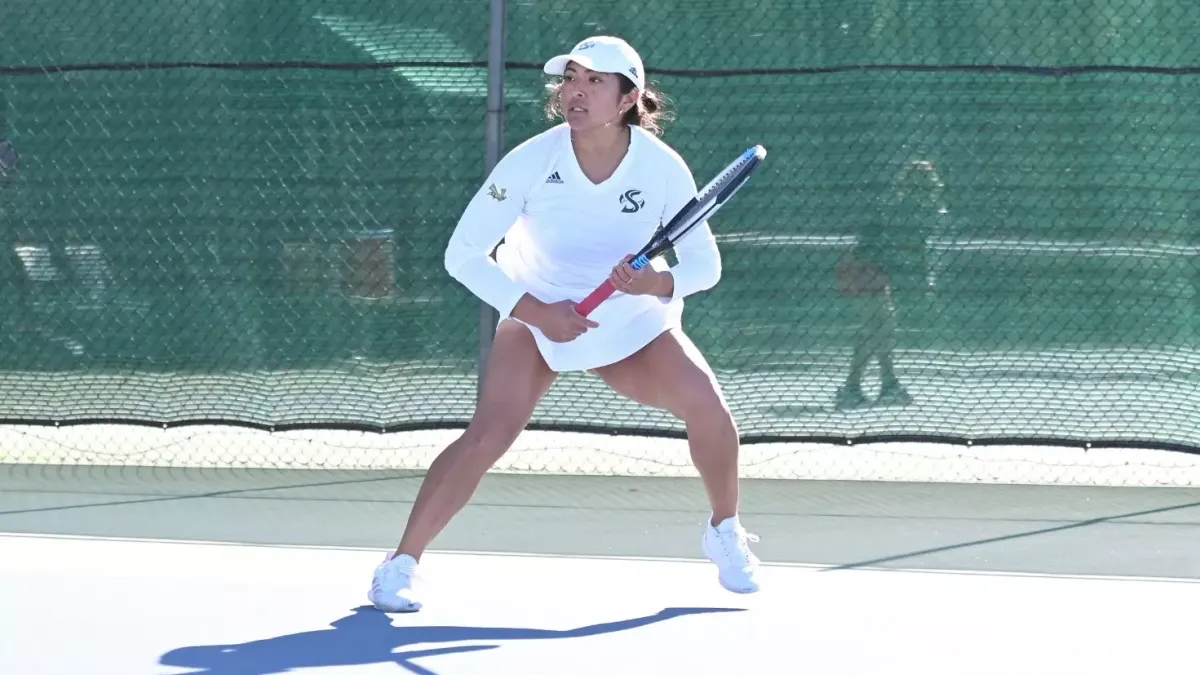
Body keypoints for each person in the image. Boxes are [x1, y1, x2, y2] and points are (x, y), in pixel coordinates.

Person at [368, 35, 761, 613]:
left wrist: (652, 282)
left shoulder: (661, 168)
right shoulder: (531, 161)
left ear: (628, 98)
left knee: (710, 407)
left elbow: (705, 265)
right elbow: (463, 254)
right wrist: (537, 313)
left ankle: (724, 530)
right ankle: (399, 565)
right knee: (487, 436)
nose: (574, 92)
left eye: (593, 81)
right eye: (569, 79)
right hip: (538, 308)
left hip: (631, 321)